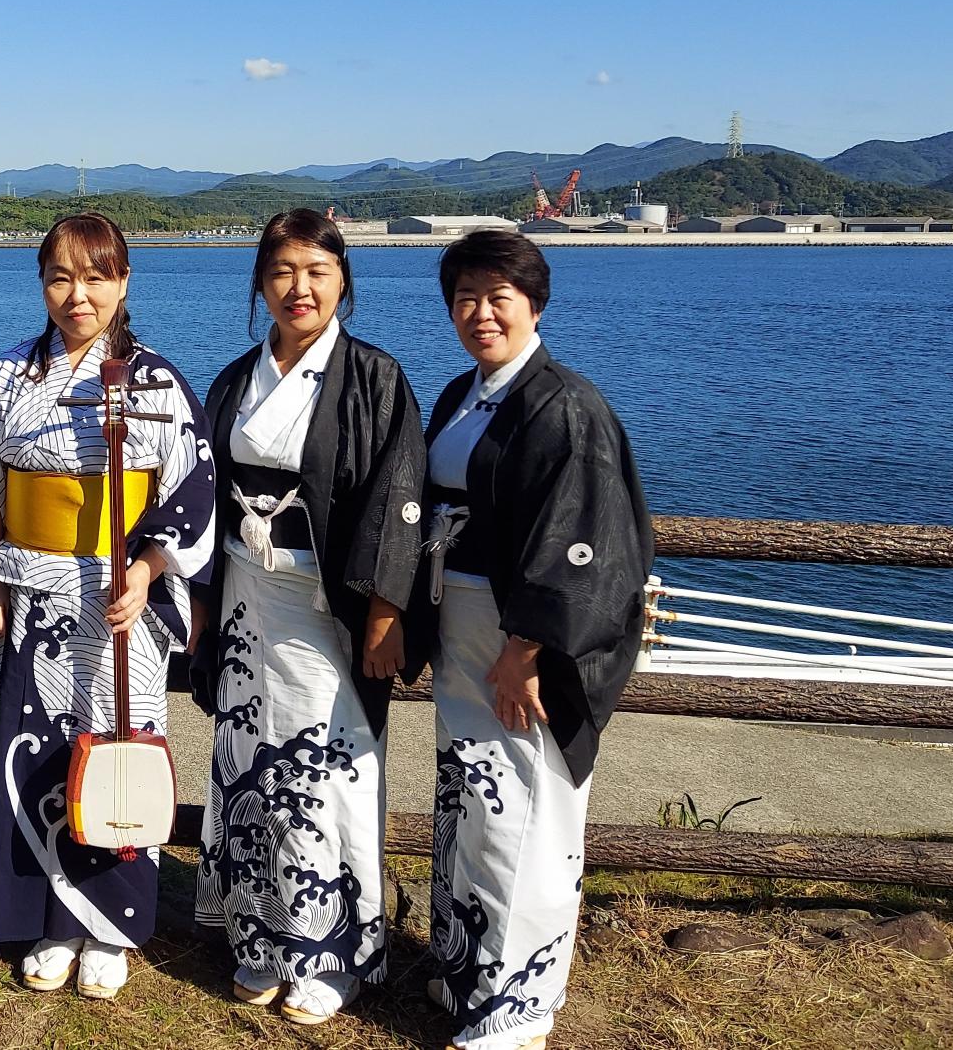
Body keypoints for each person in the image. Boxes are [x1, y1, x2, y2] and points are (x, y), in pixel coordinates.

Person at [0, 212, 215, 1000]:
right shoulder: (9, 375)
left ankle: (110, 926)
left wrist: (149, 567)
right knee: (34, 750)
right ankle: (46, 918)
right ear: (41, 284)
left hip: (117, 597)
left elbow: (192, 488)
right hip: (34, 591)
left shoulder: (156, 380)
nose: (78, 295)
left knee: (116, 747)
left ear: (124, 282)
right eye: (61, 277)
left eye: (97, 277)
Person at [403, 230, 654, 1050]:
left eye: (498, 297)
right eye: (465, 298)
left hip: (525, 646)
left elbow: (583, 542)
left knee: (527, 813)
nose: (481, 313)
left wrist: (525, 650)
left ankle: (516, 1010)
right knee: (473, 802)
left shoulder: (566, 406)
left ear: (534, 305)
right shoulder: (464, 393)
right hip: (463, 625)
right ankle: (467, 973)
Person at [190, 209, 424, 1026]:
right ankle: (258, 932)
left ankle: (332, 952)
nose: (301, 287)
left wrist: (386, 610)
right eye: (283, 270)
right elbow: (203, 500)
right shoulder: (235, 380)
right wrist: (202, 608)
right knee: (246, 760)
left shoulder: (375, 379)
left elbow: (399, 498)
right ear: (261, 283)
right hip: (246, 597)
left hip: (327, 607)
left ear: (343, 281)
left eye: (318, 271)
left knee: (324, 771)